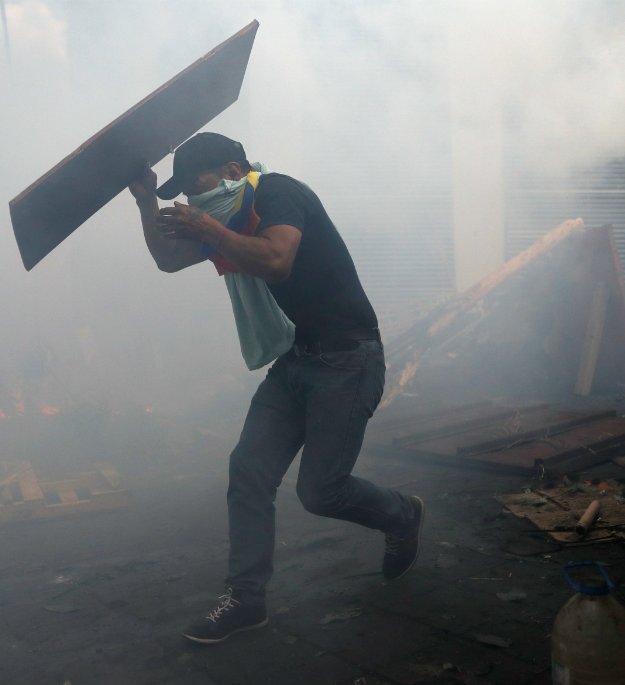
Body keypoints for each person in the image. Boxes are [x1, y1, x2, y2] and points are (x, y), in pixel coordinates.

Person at [128, 132, 423, 644]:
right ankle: (245, 600)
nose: (193, 202)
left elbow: (276, 259)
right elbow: (168, 260)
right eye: (186, 195)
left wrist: (207, 228)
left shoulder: (278, 193)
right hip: (291, 359)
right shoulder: (222, 219)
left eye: (196, 187)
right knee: (248, 470)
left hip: (346, 356)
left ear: (232, 170)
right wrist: (144, 199)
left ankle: (402, 513)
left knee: (320, 491)